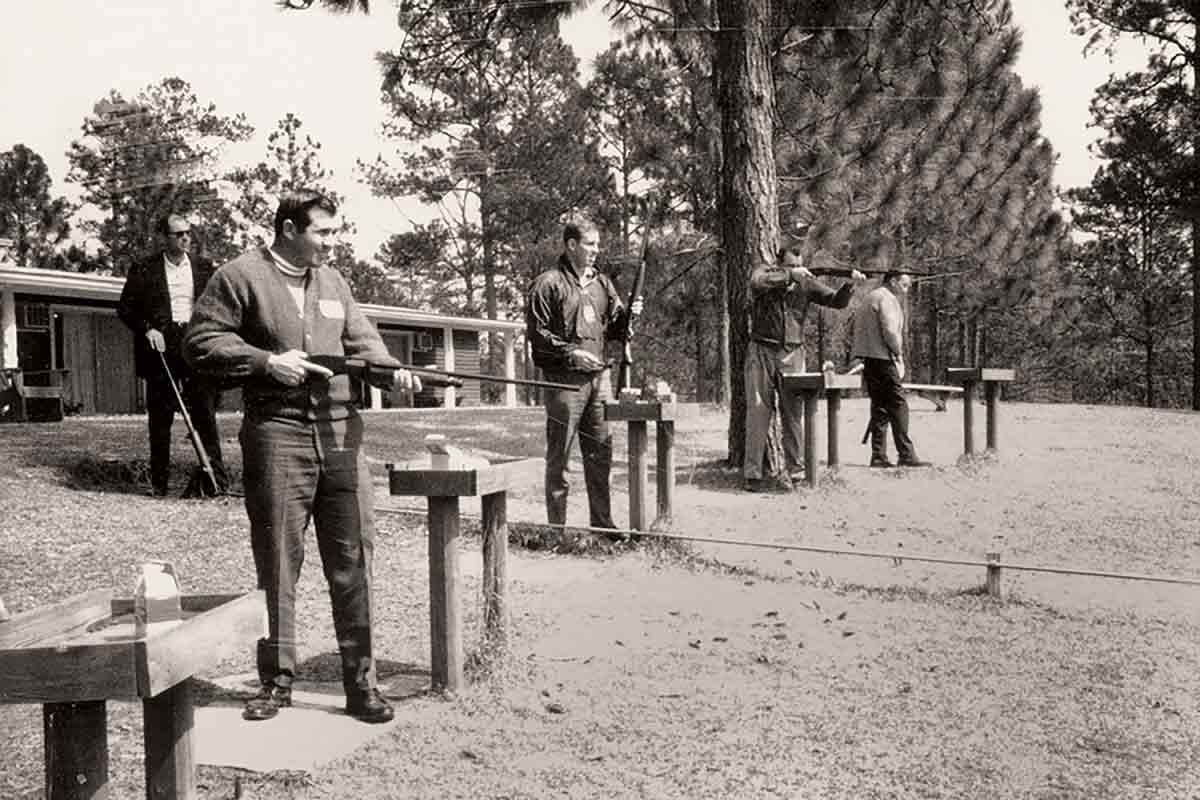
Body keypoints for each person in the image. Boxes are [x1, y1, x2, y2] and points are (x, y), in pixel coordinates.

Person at [183, 190, 421, 724]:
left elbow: (364, 345)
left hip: (340, 436)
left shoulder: (335, 282)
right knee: (278, 564)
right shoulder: (239, 276)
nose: (332, 243)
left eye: (334, 233)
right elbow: (200, 343)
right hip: (277, 434)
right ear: (289, 229)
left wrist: (392, 372)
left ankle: (361, 684)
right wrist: (267, 362)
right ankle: (276, 682)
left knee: (354, 561)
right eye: (323, 233)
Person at [526, 220, 642, 531]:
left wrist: (630, 316)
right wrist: (570, 352)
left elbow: (617, 329)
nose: (596, 250)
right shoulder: (547, 284)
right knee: (559, 458)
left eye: (597, 244)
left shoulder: (603, 284)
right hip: (564, 382)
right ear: (572, 245)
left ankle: (602, 526)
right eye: (590, 244)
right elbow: (537, 336)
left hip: (600, 381)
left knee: (600, 455)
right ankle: (557, 530)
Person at [743, 233, 864, 491]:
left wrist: (850, 286)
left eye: (798, 265)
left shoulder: (807, 283)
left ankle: (796, 473)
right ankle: (753, 475)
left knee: (794, 415)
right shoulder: (765, 273)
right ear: (779, 263)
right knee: (757, 412)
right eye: (790, 265)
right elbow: (756, 281)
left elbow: (836, 301)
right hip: (761, 350)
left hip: (793, 353)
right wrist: (789, 277)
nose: (797, 270)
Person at [118, 213, 227, 497]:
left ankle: (215, 480)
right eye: (178, 234)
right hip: (161, 344)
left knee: (204, 411)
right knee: (161, 416)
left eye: (188, 233)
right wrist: (147, 329)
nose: (186, 238)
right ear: (164, 238)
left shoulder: (205, 268)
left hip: (194, 342)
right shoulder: (144, 268)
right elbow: (126, 309)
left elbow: (218, 306)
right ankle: (160, 484)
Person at [852, 271, 930, 468]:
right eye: (904, 285)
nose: (906, 290)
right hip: (884, 358)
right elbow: (890, 331)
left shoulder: (870, 297)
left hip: (869, 358)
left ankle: (878, 455)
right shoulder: (887, 299)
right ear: (893, 282)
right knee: (898, 404)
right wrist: (898, 353)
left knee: (879, 407)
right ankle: (906, 454)